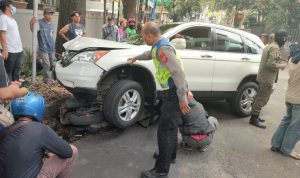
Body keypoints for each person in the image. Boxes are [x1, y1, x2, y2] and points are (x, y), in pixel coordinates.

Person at [128, 22, 190, 178]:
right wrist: (137, 58)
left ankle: (161, 170)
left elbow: (178, 73)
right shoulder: (159, 44)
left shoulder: (163, 48)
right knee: (171, 126)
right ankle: (170, 156)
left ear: (150, 35)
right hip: (170, 92)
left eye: (143, 36)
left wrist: (182, 97)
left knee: (165, 131)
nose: (143, 39)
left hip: (173, 93)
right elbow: (151, 54)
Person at [0, 92, 78, 178]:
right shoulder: (41, 129)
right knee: (73, 150)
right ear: (38, 109)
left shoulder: (5, 130)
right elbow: (67, 152)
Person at [249, 29, 288, 129]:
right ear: (282, 38)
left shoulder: (270, 46)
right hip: (267, 78)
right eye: (285, 38)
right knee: (262, 98)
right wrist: (281, 66)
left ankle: (255, 115)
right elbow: (270, 64)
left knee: (259, 96)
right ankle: (254, 118)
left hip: (263, 76)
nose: (286, 40)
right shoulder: (274, 48)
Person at [271, 43, 300, 160]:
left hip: (290, 96)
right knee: (296, 126)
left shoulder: (293, 58)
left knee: (287, 121)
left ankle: (276, 144)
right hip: (298, 99)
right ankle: (287, 149)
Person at [30, 7, 56, 84]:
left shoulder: (52, 24)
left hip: (52, 47)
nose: (50, 16)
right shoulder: (39, 22)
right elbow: (34, 32)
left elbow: (51, 34)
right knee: (47, 64)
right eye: (48, 14)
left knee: (51, 63)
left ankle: (51, 78)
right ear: (44, 14)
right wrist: (31, 24)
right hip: (43, 47)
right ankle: (46, 80)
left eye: (51, 14)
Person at [0, 0, 23, 82]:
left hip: (18, 50)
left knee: (16, 70)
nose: (14, 7)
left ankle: (16, 90)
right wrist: (5, 50)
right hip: (10, 51)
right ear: (7, 7)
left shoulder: (12, 20)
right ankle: (9, 90)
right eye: (12, 6)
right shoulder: (3, 18)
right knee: (8, 72)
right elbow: (2, 35)